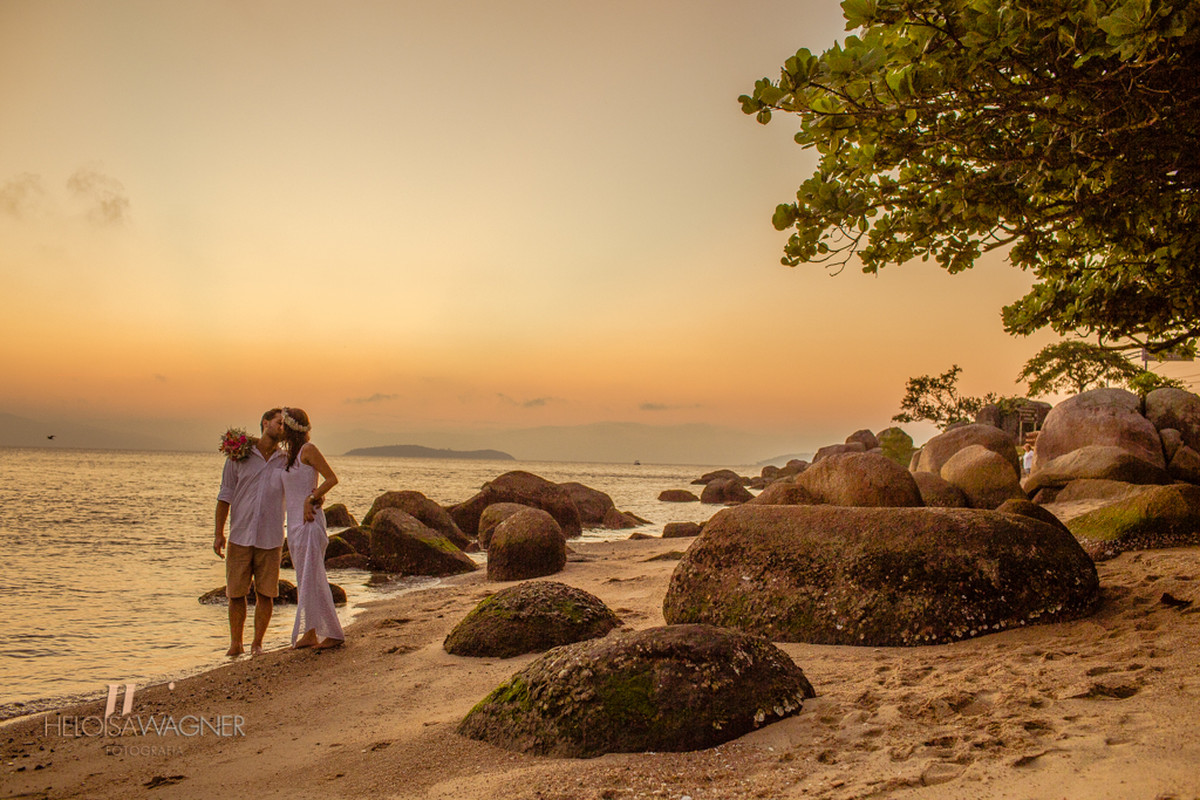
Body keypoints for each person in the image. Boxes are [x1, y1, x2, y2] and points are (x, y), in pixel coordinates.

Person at [214, 408, 287, 657]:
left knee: (266, 593)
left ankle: (257, 644)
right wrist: (218, 533)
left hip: (271, 536)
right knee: (236, 592)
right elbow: (225, 495)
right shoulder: (238, 456)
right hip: (240, 534)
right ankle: (236, 643)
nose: (282, 427)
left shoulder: (286, 460)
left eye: (285, 424)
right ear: (265, 423)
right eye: (279, 422)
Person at [278, 407, 344, 650]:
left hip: (309, 522)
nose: (280, 428)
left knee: (314, 577)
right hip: (293, 525)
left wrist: (312, 497)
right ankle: (310, 631)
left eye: (283, 424)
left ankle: (334, 633)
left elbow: (331, 478)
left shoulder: (309, 450)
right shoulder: (288, 455)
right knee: (302, 578)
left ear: (292, 427)